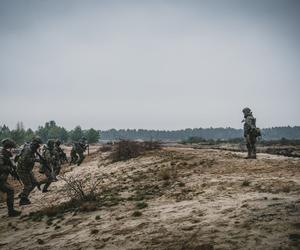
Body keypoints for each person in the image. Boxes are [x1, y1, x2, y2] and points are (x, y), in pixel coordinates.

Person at [17, 136, 43, 205]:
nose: (39, 146)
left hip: (27, 170)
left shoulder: (32, 149)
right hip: (22, 170)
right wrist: (37, 160)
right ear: (35, 143)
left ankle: (23, 194)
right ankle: (23, 199)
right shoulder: (28, 149)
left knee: (34, 183)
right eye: (38, 144)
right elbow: (26, 159)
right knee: (28, 185)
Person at [0, 139, 21, 217]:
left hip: (2, 179)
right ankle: (11, 212)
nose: (14, 150)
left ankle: (11, 211)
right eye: (13, 148)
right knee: (10, 191)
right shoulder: (2, 156)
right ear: (8, 148)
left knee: (10, 190)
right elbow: (1, 167)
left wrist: (13, 172)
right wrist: (9, 168)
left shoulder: (6, 155)